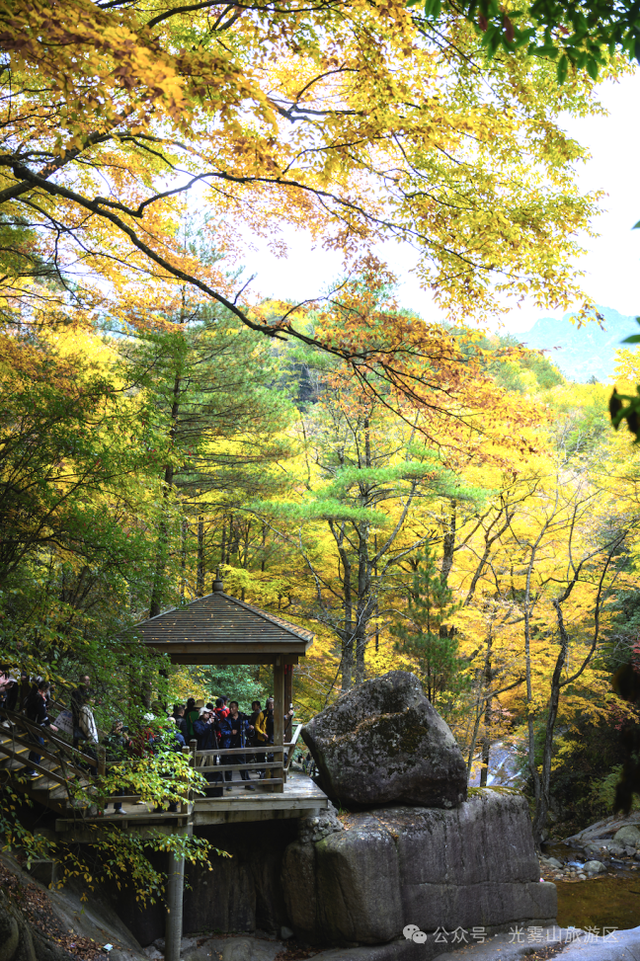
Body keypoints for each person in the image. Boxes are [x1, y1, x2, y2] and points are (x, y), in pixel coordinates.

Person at [24, 680, 58, 777]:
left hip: (36, 725)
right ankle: (31, 769)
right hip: (35, 725)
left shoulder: (37, 697)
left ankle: (31, 768)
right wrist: (50, 725)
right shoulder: (38, 698)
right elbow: (42, 714)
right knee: (39, 746)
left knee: (38, 746)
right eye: (48, 689)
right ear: (44, 689)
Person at [218, 701, 254, 791]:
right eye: (230, 707)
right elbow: (222, 732)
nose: (231, 709)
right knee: (228, 765)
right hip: (229, 745)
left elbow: (247, 730)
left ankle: (247, 783)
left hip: (240, 745)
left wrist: (250, 729)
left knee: (242, 765)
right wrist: (230, 732)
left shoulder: (242, 718)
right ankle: (229, 784)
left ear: (237, 708)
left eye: (233, 707)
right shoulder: (226, 720)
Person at [103, 720, 131, 814]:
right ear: (113, 727)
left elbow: (131, 747)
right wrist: (114, 734)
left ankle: (118, 807)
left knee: (120, 786)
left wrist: (128, 740)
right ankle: (103, 807)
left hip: (121, 764)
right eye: (117, 725)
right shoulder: (109, 737)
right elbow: (104, 744)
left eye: (121, 725)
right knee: (108, 787)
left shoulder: (123, 737)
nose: (119, 727)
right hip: (110, 764)